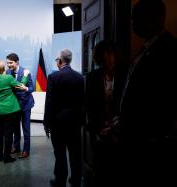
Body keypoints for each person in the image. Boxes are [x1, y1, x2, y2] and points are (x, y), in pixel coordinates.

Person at [119, 0, 177, 186]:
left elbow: (162, 101)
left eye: (138, 18)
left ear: (159, 18)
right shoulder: (146, 49)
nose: (133, 23)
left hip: (152, 145)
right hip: (136, 139)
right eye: (132, 18)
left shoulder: (170, 50)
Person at [85, 40, 125, 187]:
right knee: (100, 170)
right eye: (106, 54)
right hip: (99, 131)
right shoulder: (92, 77)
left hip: (120, 132)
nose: (109, 57)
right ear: (100, 57)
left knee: (117, 171)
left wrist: (115, 128)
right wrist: (100, 129)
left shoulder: (124, 75)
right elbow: (89, 107)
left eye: (112, 53)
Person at [44, 49, 84, 187]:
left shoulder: (53, 77)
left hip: (58, 123)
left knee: (60, 153)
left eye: (57, 60)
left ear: (60, 61)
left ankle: (60, 180)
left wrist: (46, 123)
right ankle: (76, 179)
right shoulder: (79, 77)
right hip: (75, 122)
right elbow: (83, 101)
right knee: (75, 153)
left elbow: (49, 102)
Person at [0, 60, 29, 163]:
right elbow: (20, 86)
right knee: (8, 134)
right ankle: (7, 157)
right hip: (9, 111)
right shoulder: (8, 78)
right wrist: (25, 75)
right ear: (3, 69)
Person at [6, 53, 34, 159]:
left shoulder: (26, 72)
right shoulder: (8, 72)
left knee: (26, 128)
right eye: (7, 63)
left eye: (10, 63)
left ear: (17, 62)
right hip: (14, 105)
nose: (8, 65)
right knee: (15, 128)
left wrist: (26, 89)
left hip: (26, 104)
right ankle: (16, 146)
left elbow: (32, 87)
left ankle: (26, 150)